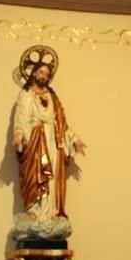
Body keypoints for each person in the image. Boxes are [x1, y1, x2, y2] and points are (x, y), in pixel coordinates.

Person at [13, 55, 86, 223]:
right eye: (41, 72)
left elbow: (61, 123)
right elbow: (21, 117)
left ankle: (49, 213)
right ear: (34, 74)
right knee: (34, 174)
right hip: (35, 139)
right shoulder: (26, 94)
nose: (44, 76)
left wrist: (74, 140)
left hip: (52, 141)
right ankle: (34, 209)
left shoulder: (53, 97)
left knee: (51, 176)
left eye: (47, 74)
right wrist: (19, 133)